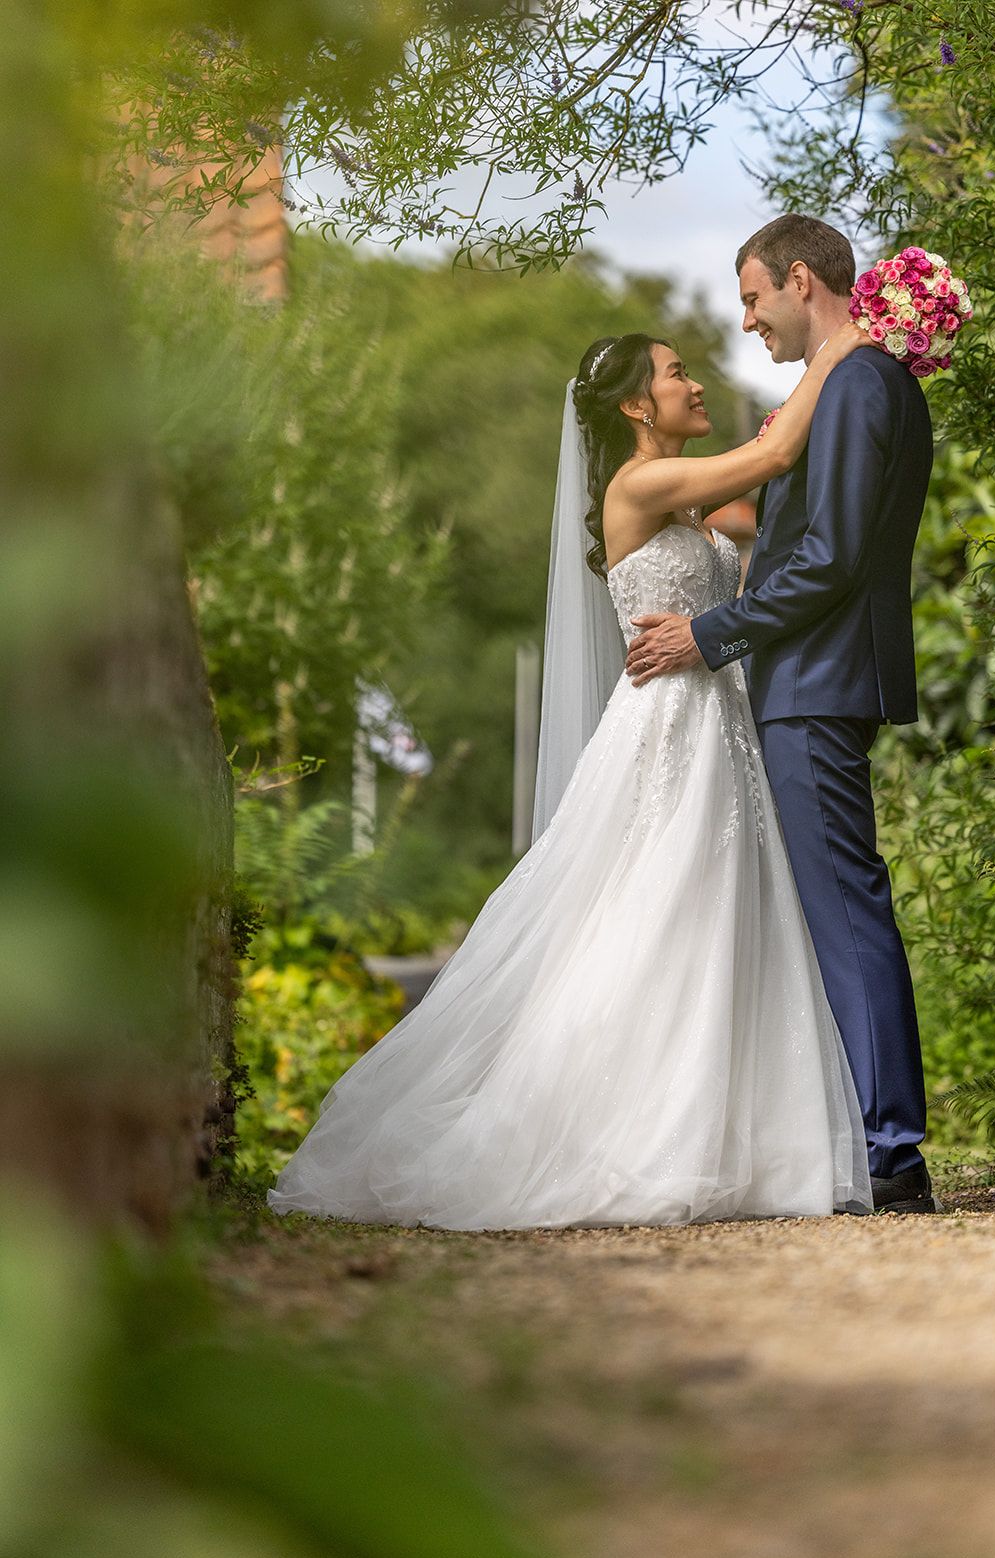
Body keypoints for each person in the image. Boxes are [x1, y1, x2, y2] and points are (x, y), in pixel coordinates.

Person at [266, 319, 875, 1230]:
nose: (695, 385)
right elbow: (778, 448)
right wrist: (843, 341)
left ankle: (729, 1138)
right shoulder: (642, 483)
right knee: (656, 909)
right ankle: (623, 1134)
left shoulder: (683, 504)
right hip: (667, 726)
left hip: (719, 717)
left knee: (718, 913)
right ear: (636, 405)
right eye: (676, 375)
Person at [624, 214, 939, 1216]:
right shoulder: (862, 380)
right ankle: (866, 1138)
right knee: (841, 910)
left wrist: (712, 632)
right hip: (825, 676)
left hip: (814, 683)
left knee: (846, 913)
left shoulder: (854, 384)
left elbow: (831, 554)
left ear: (799, 281)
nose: (748, 320)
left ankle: (888, 1149)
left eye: (753, 297)